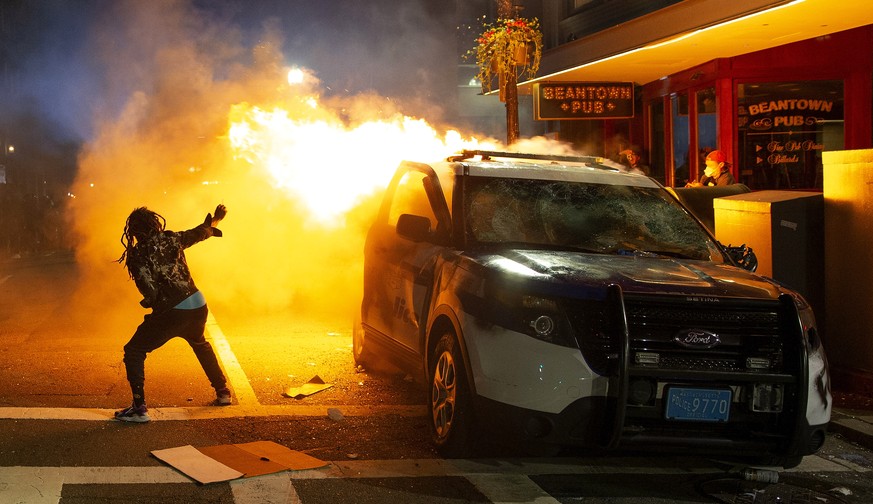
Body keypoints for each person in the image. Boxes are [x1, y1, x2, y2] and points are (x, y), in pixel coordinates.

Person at [114, 204, 232, 422]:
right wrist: (215, 220)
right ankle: (223, 391)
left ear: (133, 231)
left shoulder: (137, 254)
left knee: (134, 350)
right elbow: (200, 233)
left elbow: (149, 290)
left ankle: (139, 408)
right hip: (198, 303)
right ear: (156, 224)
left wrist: (149, 302)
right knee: (200, 343)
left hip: (172, 310)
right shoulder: (171, 238)